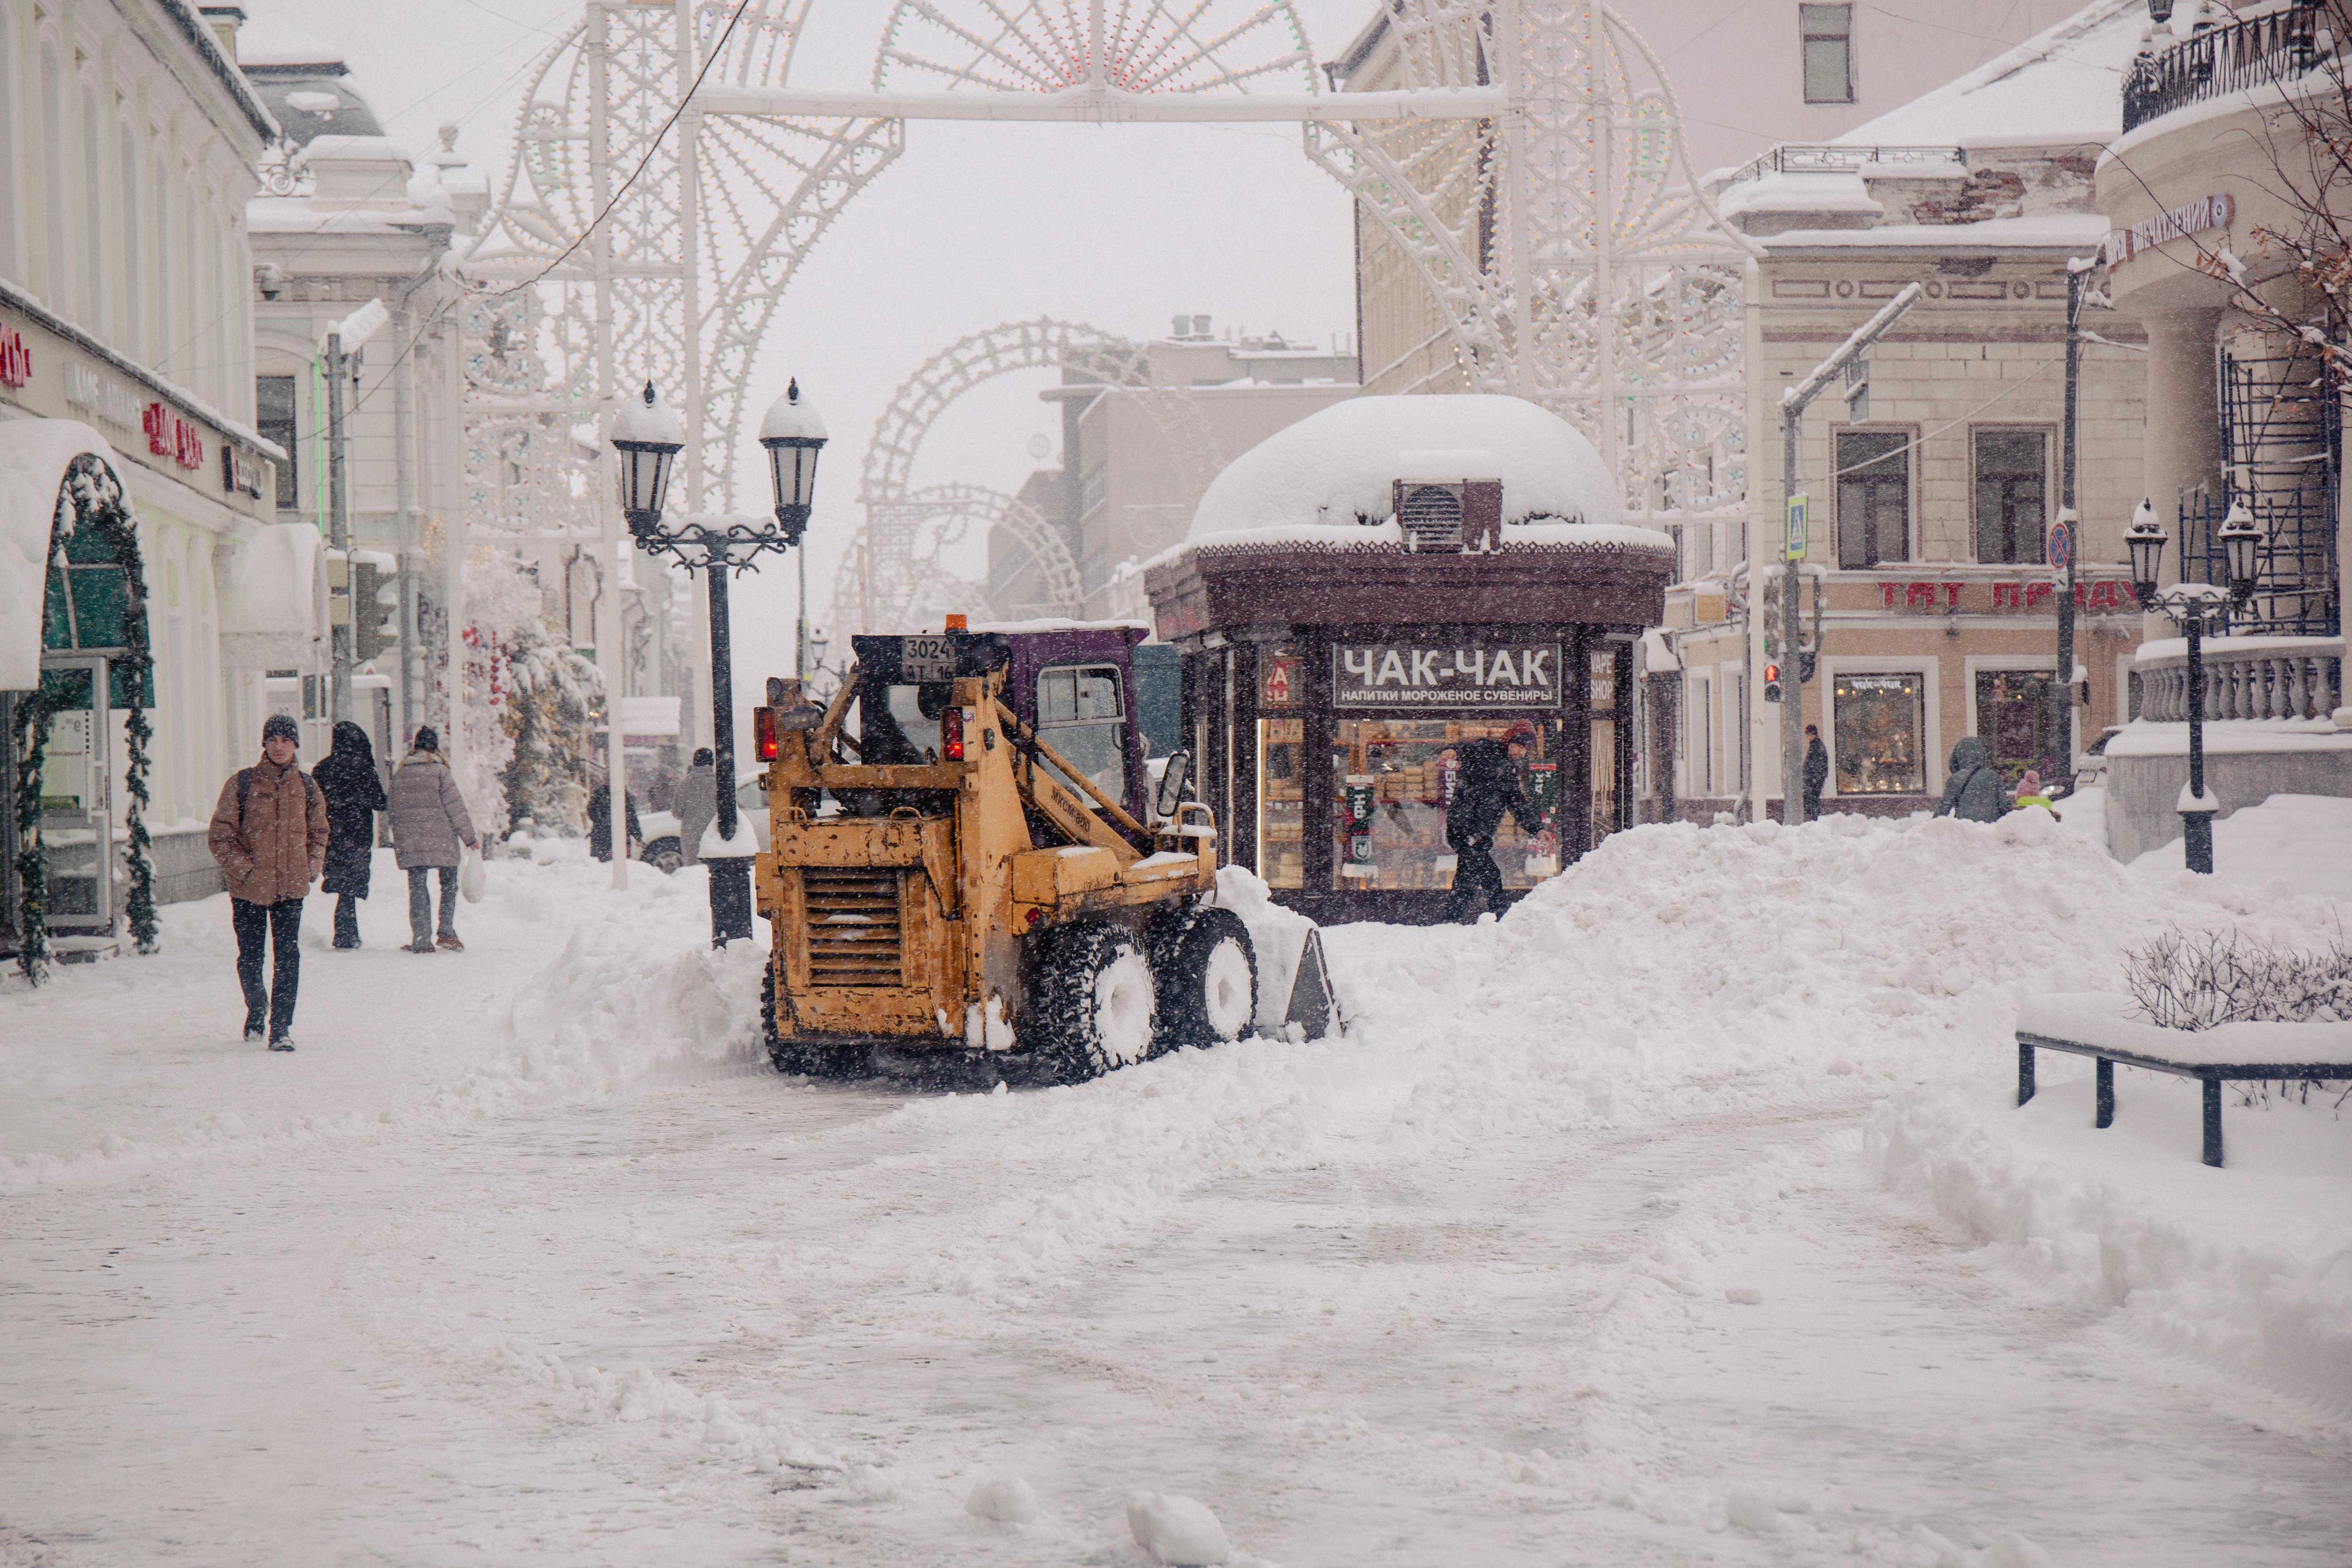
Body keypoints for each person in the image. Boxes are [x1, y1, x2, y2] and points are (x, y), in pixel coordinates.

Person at [207, 713, 328, 1049]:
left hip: (291, 888)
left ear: (295, 745)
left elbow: (320, 832)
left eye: (286, 741)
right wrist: (245, 870)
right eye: (273, 740)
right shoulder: (242, 784)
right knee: (250, 957)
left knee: (288, 956)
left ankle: (281, 1028)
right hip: (249, 890)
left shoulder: (306, 786)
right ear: (264, 744)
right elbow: (220, 837)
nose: (279, 747)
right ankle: (257, 1006)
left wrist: (310, 867)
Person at [389, 725, 479, 953]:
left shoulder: (401, 773)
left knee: (418, 887)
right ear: (435, 747)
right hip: (442, 840)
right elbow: (455, 808)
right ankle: (446, 931)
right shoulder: (440, 772)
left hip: (412, 842)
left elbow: (394, 810)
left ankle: (421, 938)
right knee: (448, 884)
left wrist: (401, 838)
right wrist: (469, 838)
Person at [1439, 717, 1537, 924]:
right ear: (1509, 740)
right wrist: (1452, 751)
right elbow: (1466, 749)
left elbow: (1517, 801)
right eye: (1520, 746)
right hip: (1464, 829)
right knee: (1490, 875)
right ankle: (1501, 917)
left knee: (1468, 876)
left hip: (1480, 834)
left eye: (1526, 749)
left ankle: (1450, 920)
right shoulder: (1487, 750)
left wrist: (1536, 829)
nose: (1522, 752)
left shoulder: (1509, 771)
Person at [313, 720, 388, 949]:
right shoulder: (364, 768)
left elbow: (314, 803)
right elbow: (380, 802)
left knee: (341, 881)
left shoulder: (323, 769)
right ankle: (347, 933)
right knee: (351, 885)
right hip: (358, 834)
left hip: (333, 834)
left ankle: (345, 931)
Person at [1933, 736, 2005, 823]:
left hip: (1965, 827)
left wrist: (1932, 828)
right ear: (1982, 754)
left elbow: (1944, 808)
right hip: (1990, 827)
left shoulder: (1955, 779)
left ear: (1959, 756)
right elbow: (2004, 804)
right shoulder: (1993, 776)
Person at [586, 769, 642, 863]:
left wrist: (601, 821)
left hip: (603, 836)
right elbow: (631, 817)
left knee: (605, 863)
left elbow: (591, 811)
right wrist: (638, 837)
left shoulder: (600, 793)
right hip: (620, 835)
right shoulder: (623, 795)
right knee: (621, 861)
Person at [675, 746, 717, 867]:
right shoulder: (718, 782)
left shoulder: (685, 784)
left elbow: (677, 813)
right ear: (712, 763)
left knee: (693, 872)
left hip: (691, 835)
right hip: (714, 834)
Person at [1801, 723, 1829, 823]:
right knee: (1811, 801)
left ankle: (1812, 821)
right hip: (1814, 780)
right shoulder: (1816, 746)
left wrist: (1813, 779)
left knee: (1811, 801)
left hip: (1814, 781)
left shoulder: (1817, 747)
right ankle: (1811, 820)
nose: (1807, 737)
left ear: (1813, 734)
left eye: (1808, 735)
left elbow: (1817, 766)